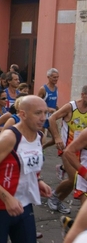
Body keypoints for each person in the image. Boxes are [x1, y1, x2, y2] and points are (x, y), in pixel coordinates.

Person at [0, 95, 52, 243]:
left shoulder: (39, 136)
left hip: (24, 204)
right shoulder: (9, 137)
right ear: (22, 114)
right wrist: (7, 198)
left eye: (46, 113)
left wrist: (38, 181)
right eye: (38, 113)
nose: (43, 118)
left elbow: (29, 164)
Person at [47, 86, 87, 214]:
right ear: (83, 95)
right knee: (74, 179)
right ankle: (55, 197)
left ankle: (63, 169)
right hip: (67, 148)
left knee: (76, 179)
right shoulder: (71, 107)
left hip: (82, 151)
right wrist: (57, 137)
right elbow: (52, 118)